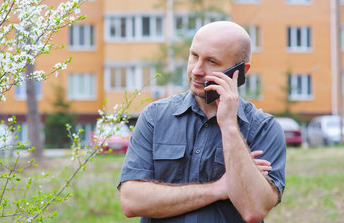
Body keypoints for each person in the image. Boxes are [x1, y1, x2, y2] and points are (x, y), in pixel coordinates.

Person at [117, 21, 286, 223]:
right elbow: (131, 201)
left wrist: (229, 126)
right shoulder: (155, 117)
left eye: (212, 62)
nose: (197, 70)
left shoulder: (264, 128)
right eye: (194, 56)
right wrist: (219, 188)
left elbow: (254, 210)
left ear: (240, 71)